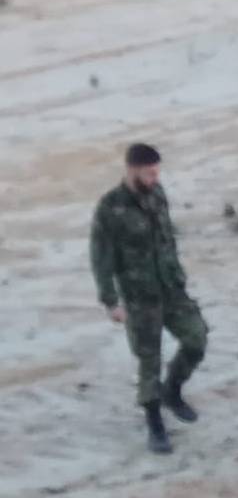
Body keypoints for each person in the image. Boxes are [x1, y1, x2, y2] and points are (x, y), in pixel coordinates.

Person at [90, 142, 209, 455]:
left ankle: (173, 391)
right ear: (132, 169)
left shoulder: (158, 195)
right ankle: (155, 421)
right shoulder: (110, 208)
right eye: (149, 172)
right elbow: (101, 258)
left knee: (197, 339)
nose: (155, 177)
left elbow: (167, 240)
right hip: (140, 296)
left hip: (171, 288)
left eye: (158, 172)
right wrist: (111, 301)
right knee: (149, 360)